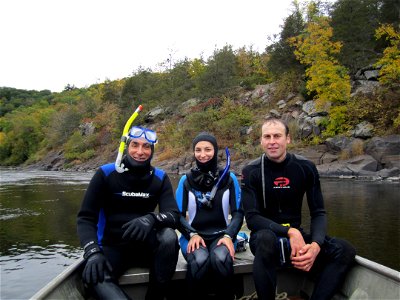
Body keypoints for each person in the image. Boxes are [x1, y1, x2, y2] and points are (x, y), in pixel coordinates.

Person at [241, 118, 356, 300]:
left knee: (344, 249)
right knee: (264, 239)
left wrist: (316, 245)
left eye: (277, 136)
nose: (272, 141)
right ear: (261, 141)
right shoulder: (251, 171)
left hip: (297, 242)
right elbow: (253, 218)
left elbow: (318, 212)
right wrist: (290, 232)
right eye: (267, 137)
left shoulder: (305, 168)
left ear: (288, 139)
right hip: (266, 239)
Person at [77, 126, 179, 300]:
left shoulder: (160, 178)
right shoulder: (105, 174)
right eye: (135, 145)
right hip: (111, 246)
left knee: (169, 237)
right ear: (126, 146)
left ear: (152, 150)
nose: (140, 152)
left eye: (146, 146)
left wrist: (151, 219)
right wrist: (92, 251)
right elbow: (86, 218)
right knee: (91, 277)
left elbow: (174, 215)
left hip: (146, 248)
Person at [175, 132, 243, 300]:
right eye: (198, 150)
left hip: (222, 235)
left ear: (216, 151)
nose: (203, 154)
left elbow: (238, 213)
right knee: (200, 260)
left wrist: (229, 235)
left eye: (208, 149)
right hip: (192, 235)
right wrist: (191, 234)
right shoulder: (186, 180)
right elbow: (177, 215)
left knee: (220, 258)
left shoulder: (229, 178)